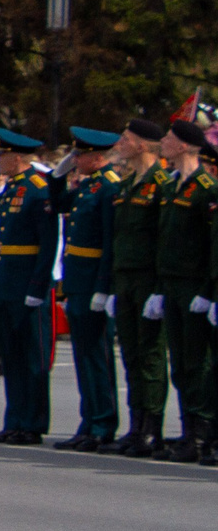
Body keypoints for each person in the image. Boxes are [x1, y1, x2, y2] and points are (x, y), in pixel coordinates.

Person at [0, 130, 59, 445]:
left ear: (19, 158)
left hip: (27, 283)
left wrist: (38, 286)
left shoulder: (38, 189)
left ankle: (33, 423)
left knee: (33, 357)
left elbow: (48, 243)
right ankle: (14, 420)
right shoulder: (13, 187)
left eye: (3, 156)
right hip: (8, 282)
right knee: (12, 356)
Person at [52, 127, 124, 451]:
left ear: (96, 157)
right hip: (78, 281)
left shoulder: (109, 187)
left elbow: (109, 242)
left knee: (97, 357)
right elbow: (57, 204)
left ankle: (103, 424)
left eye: (79, 155)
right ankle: (89, 421)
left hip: (93, 280)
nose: (75, 160)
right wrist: (58, 175)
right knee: (84, 357)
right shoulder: (88, 185)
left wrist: (103, 287)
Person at [106, 118, 171, 456]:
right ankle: (135, 424)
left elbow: (164, 239)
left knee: (150, 356)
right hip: (125, 278)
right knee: (131, 354)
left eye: (126, 138)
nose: (120, 144)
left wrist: (159, 288)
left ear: (143, 145)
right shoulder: (128, 183)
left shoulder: (162, 183)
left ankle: (152, 428)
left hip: (147, 279)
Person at [151, 120, 214, 462]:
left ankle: (202, 434)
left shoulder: (206, 188)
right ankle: (189, 430)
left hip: (194, 286)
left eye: (170, 137)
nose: (163, 141)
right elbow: (164, 241)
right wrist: (159, 288)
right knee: (179, 363)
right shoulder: (171, 186)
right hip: (172, 283)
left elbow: (212, 246)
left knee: (196, 363)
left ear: (186, 146)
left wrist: (208, 291)